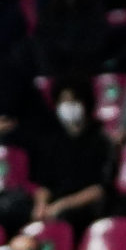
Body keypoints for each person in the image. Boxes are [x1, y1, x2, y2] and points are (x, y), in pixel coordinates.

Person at [27, 87, 111, 233]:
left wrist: (61, 206)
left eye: (73, 101)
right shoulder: (53, 141)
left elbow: (98, 190)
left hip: (83, 207)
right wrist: (40, 205)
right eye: (63, 101)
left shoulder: (100, 141)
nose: (68, 106)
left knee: (65, 219)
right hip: (55, 204)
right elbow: (44, 183)